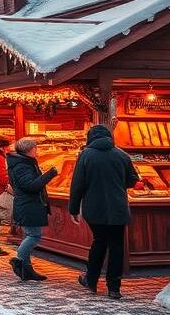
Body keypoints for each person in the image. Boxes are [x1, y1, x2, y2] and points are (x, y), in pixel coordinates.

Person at [70, 124, 138, 299]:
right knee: (116, 245)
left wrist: (73, 208)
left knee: (99, 241)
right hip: (118, 208)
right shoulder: (122, 154)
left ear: (90, 138)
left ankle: (91, 280)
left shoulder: (85, 155)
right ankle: (114, 288)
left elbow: (77, 184)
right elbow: (132, 180)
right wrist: (116, 183)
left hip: (94, 208)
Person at [7, 137, 58, 281]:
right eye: (36, 147)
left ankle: (27, 270)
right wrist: (50, 173)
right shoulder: (22, 165)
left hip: (28, 204)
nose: (37, 150)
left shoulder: (22, 162)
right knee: (33, 236)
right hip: (28, 205)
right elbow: (31, 186)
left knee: (29, 235)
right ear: (30, 149)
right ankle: (18, 260)